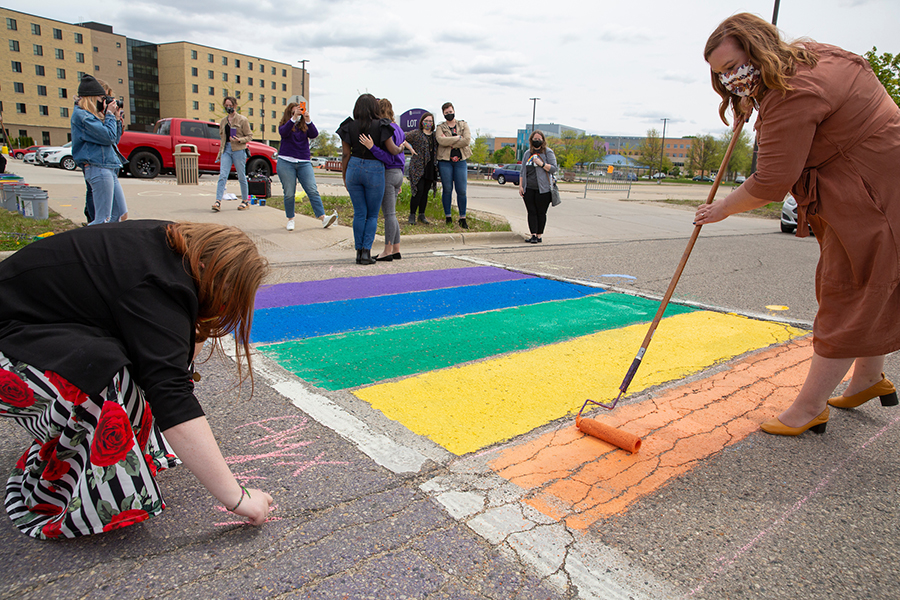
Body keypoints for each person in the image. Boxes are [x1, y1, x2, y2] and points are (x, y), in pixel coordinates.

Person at [0, 221, 273, 539]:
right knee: (98, 377)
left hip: (26, 322)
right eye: (224, 294)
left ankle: (100, 456)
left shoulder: (169, 247)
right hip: (8, 345)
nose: (222, 306)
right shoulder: (156, 286)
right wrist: (237, 498)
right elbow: (171, 391)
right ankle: (60, 495)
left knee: (135, 362)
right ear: (205, 268)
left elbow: (179, 348)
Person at [697, 13, 900, 436]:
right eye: (721, 75)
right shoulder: (813, 56)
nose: (731, 80)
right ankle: (866, 379)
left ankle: (810, 407)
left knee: (847, 289)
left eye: (735, 68)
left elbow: (770, 182)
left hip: (873, 195)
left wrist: (721, 209)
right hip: (878, 177)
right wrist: (755, 101)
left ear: (758, 48)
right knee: (876, 279)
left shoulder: (790, 95)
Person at [337, 94, 402, 265]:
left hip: (353, 168)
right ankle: (366, 253)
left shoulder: (348, 126)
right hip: (374, 169)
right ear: (374, 107)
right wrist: (402, 146)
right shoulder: (381, 126)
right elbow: (393, 151)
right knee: (372, 215)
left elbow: (345, 154)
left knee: (359, 213)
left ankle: (358, 253)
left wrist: (344, 176)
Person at [71, 75, 127, 226]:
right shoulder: (82, 116)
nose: (105, 102)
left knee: (120, 215)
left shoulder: (93, 116)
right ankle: (90, 246)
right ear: (92, 98)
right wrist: (108, 115)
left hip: (109, 167)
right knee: (102, 219)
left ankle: (108, 245)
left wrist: (115, 118)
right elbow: (108, 137)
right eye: (103, 98)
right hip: (98, 168)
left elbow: (113, 140)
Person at [277, 102, 337, 232]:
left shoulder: (304, 125)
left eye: (300, 111)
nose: (298, 114)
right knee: (289, 192)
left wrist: (308, 119)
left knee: (312, 190)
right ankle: (290, 219)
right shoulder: (286, 124)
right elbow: (283, 133)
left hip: (304, 162)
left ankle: (323, 217)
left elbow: (314, 134)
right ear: (290, 113)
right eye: (295, 111)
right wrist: (294, 118)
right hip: (286, 161)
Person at [362, 98, 405, 261]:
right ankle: (396, 248)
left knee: (389, 214)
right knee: (392, 213)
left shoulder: (385, 128)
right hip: (398, 173)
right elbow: (400, 155)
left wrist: (372, 147)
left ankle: (387, 250)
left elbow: (389, 156)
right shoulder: (398, 129)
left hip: (388, 173)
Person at [435, 102, 472, 228]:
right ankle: (448, 217)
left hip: (460, 161)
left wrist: (449, 141)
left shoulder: (463, 124)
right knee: (447, 189)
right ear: (443, 114)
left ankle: (462, 218)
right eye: (446, 113)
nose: (449, 114)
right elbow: (440, 140)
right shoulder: (440, 126)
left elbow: (466, 140)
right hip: (445, 161)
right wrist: (457, 138)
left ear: (454, 111)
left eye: (450, 112)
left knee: (461, 190)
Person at [212, 96, 252, 212]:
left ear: (235, 106)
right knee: (223, 175)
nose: (228, 107)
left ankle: (245, 200)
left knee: (241, 175)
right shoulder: (224, 121)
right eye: (226, 105)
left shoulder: (242, 120)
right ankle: (218, 201)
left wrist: (239, 140)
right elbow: (222, 139)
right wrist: (220, 152)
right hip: (227, 149)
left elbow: (249, 136)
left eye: (230, 105)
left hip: (239, 149)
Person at [518, 130, 558, 244]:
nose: (537, 141)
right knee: (531, 211)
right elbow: (522, 172)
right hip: (529, 188)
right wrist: (521, 186)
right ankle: (533, 235)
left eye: (539, 139)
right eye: (534, 139)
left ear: (543, 140)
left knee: (541, 212)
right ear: (531, 141)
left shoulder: (548, 153)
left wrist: (542, 164)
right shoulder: (527, 153)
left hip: (543, 189)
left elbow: (554, 168)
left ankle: (539, 235)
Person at [405, 112, 438, 225]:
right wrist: (410, 148)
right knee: (417, 191)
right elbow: (402, 137)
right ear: (422, 122)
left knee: (425, 192)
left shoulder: (434, 136)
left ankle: (421, 215)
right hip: (418, 167)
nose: (428, 123)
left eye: (430, 121)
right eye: (426, 121)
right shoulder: (416, 134)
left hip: (430, 167)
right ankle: (412, 214)